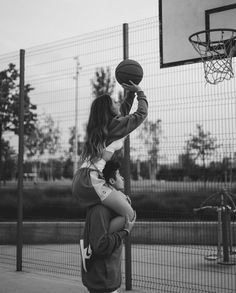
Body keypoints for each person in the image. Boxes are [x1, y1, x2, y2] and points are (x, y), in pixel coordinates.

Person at [72, 80, 148, 232]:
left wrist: (130, 93)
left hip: (83, 178)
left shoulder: (106, 127)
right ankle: (100, 241)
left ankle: (98, 240)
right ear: (109, 109)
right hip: (90, 180)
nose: (118, 102)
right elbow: (141, 114)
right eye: (114, 102)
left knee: (124, 203)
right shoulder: (113, 126)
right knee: (130, 214)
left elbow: (124, 112)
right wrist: (139, 92)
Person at [81, 160, 136, 293]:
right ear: (111, 181)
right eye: (118, 175)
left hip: (107, 280)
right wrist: (125, 232)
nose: (122, 177)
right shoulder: (100, 210)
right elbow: (100, 245)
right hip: (101, 282)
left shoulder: (111, 208)